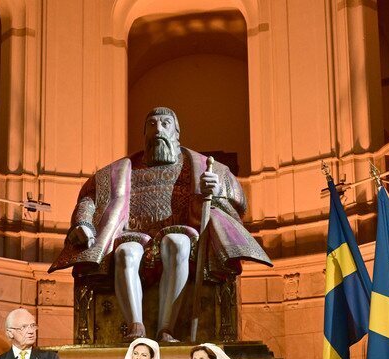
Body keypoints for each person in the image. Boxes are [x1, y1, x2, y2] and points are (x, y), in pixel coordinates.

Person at [49, 107, 272, 342]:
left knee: (177, 243)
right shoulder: (118, 171)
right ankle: (136, 326)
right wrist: (82, 223)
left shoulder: (205, 166)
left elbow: (239, 204)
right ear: (144, 133)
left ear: (177, 133)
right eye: (152, 125)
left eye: (165, 124)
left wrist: (215, 191)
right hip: (134, 235)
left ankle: (166, 328)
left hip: (181, 236)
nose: (158, 129)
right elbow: (90, 198)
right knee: (125, 252)